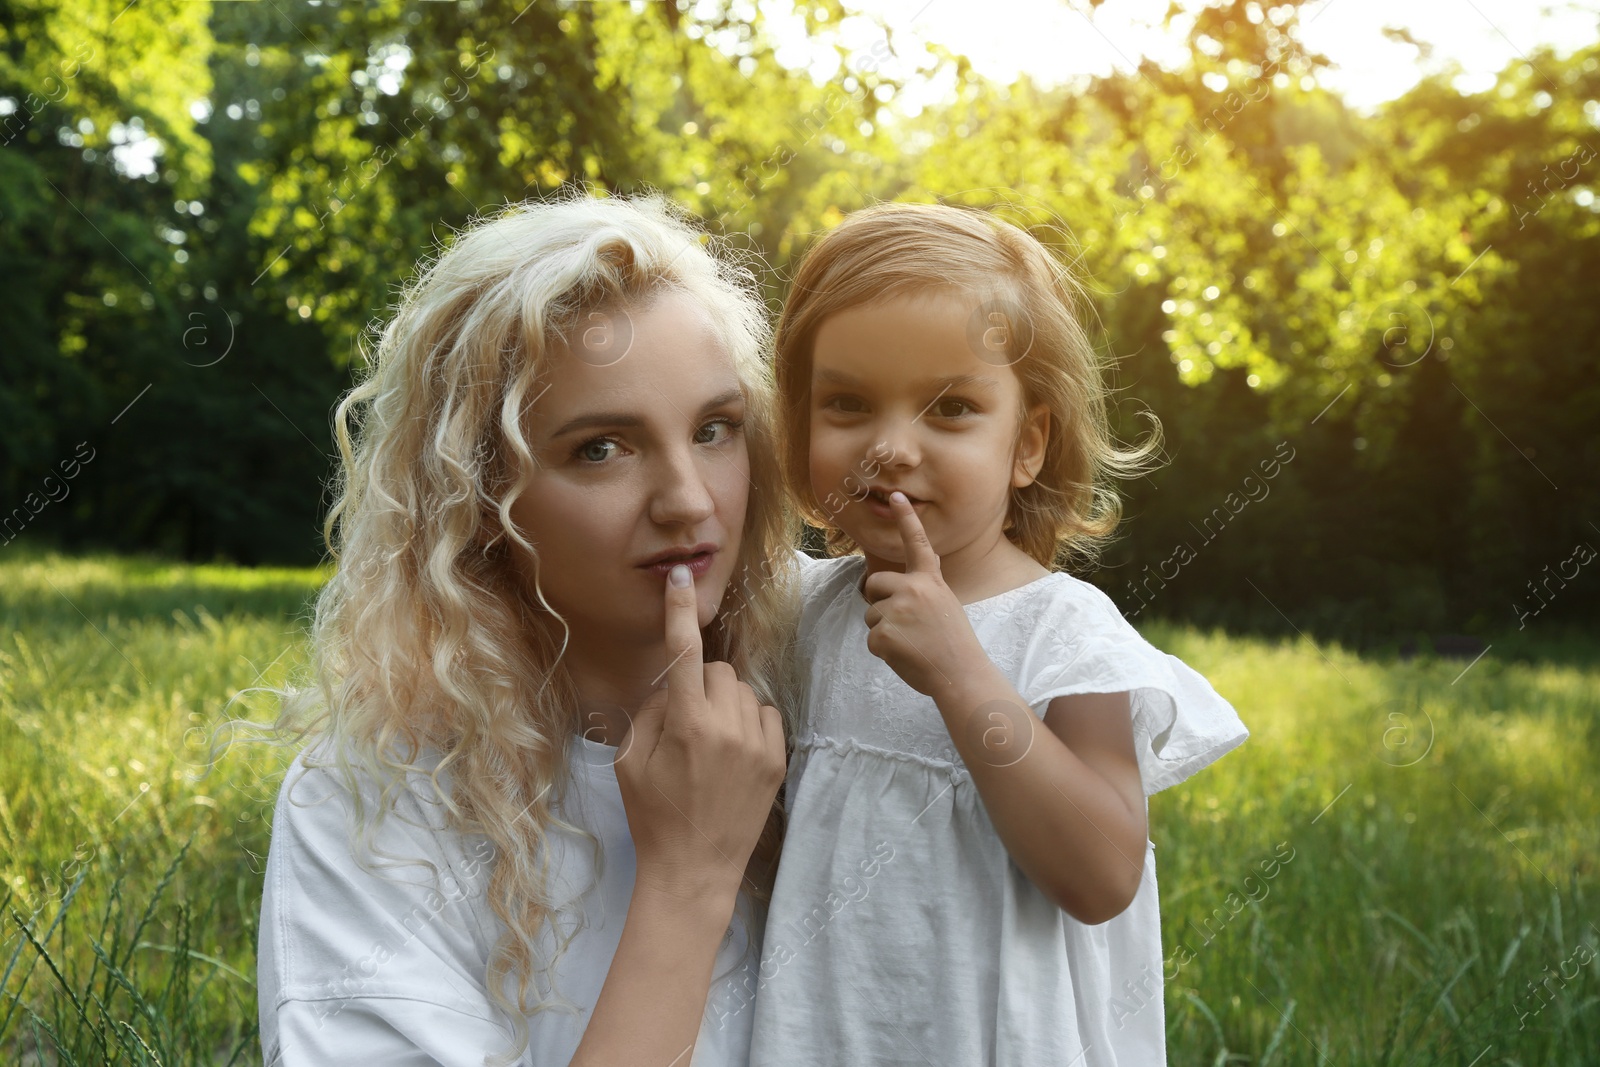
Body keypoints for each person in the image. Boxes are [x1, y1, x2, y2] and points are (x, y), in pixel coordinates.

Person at [255, 193, 800, 1066]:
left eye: (714, 430)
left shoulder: (848, 661)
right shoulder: (374, 798)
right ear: (475, 498)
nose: (690, 501)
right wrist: (689, 879)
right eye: (601, 448)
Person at [744, 202, 1251, 1066]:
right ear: (796, 431)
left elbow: (1100, 875)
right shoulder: (797, 614)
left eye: (950, 409)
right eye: (848, 403)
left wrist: (964, 676)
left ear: (1028, 444)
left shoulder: (1060, 631)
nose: (892, 446)